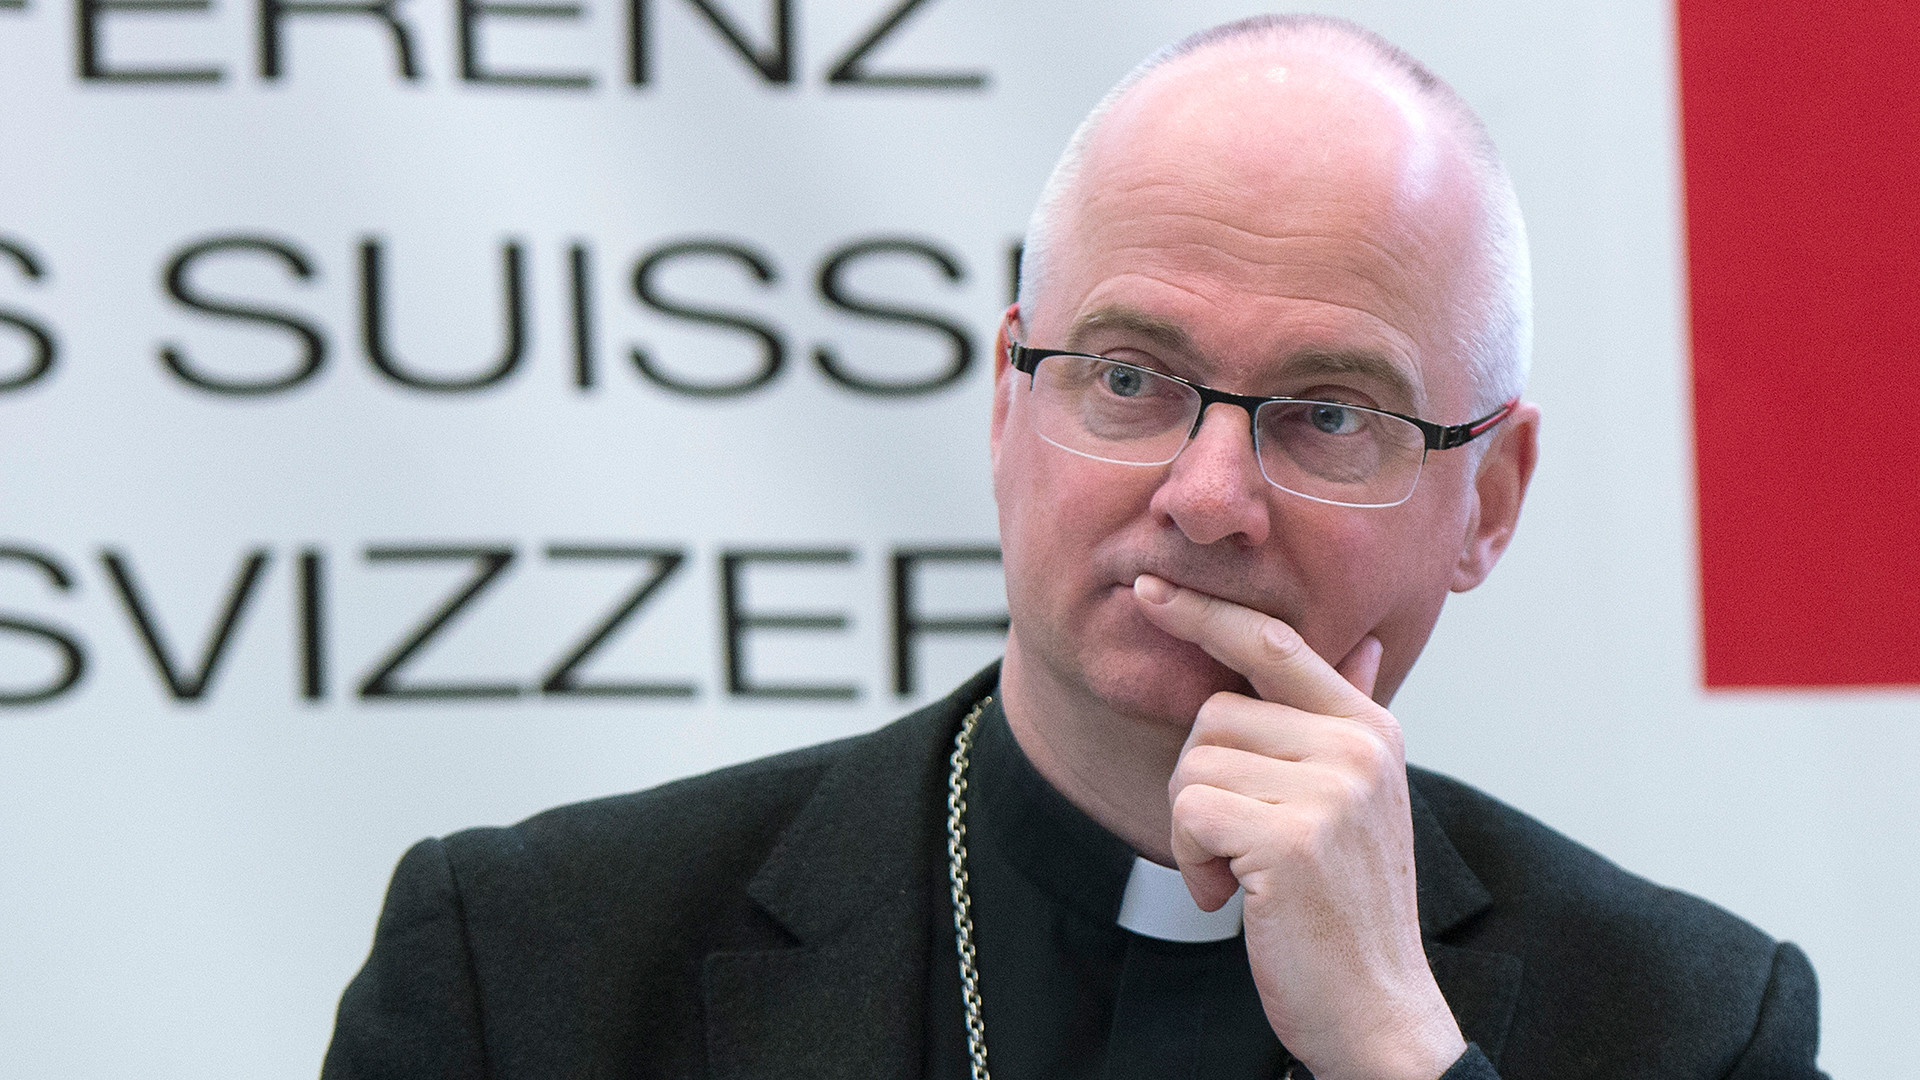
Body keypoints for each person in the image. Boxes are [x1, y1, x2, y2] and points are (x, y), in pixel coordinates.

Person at [323, 15, 1825, 1080]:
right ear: (1005, 403)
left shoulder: (1692, 1026)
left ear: (1487, 502)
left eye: (1325, 413)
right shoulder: (526, 972)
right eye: (1128, 379)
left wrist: (1397, 1055)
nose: (1208, 495)